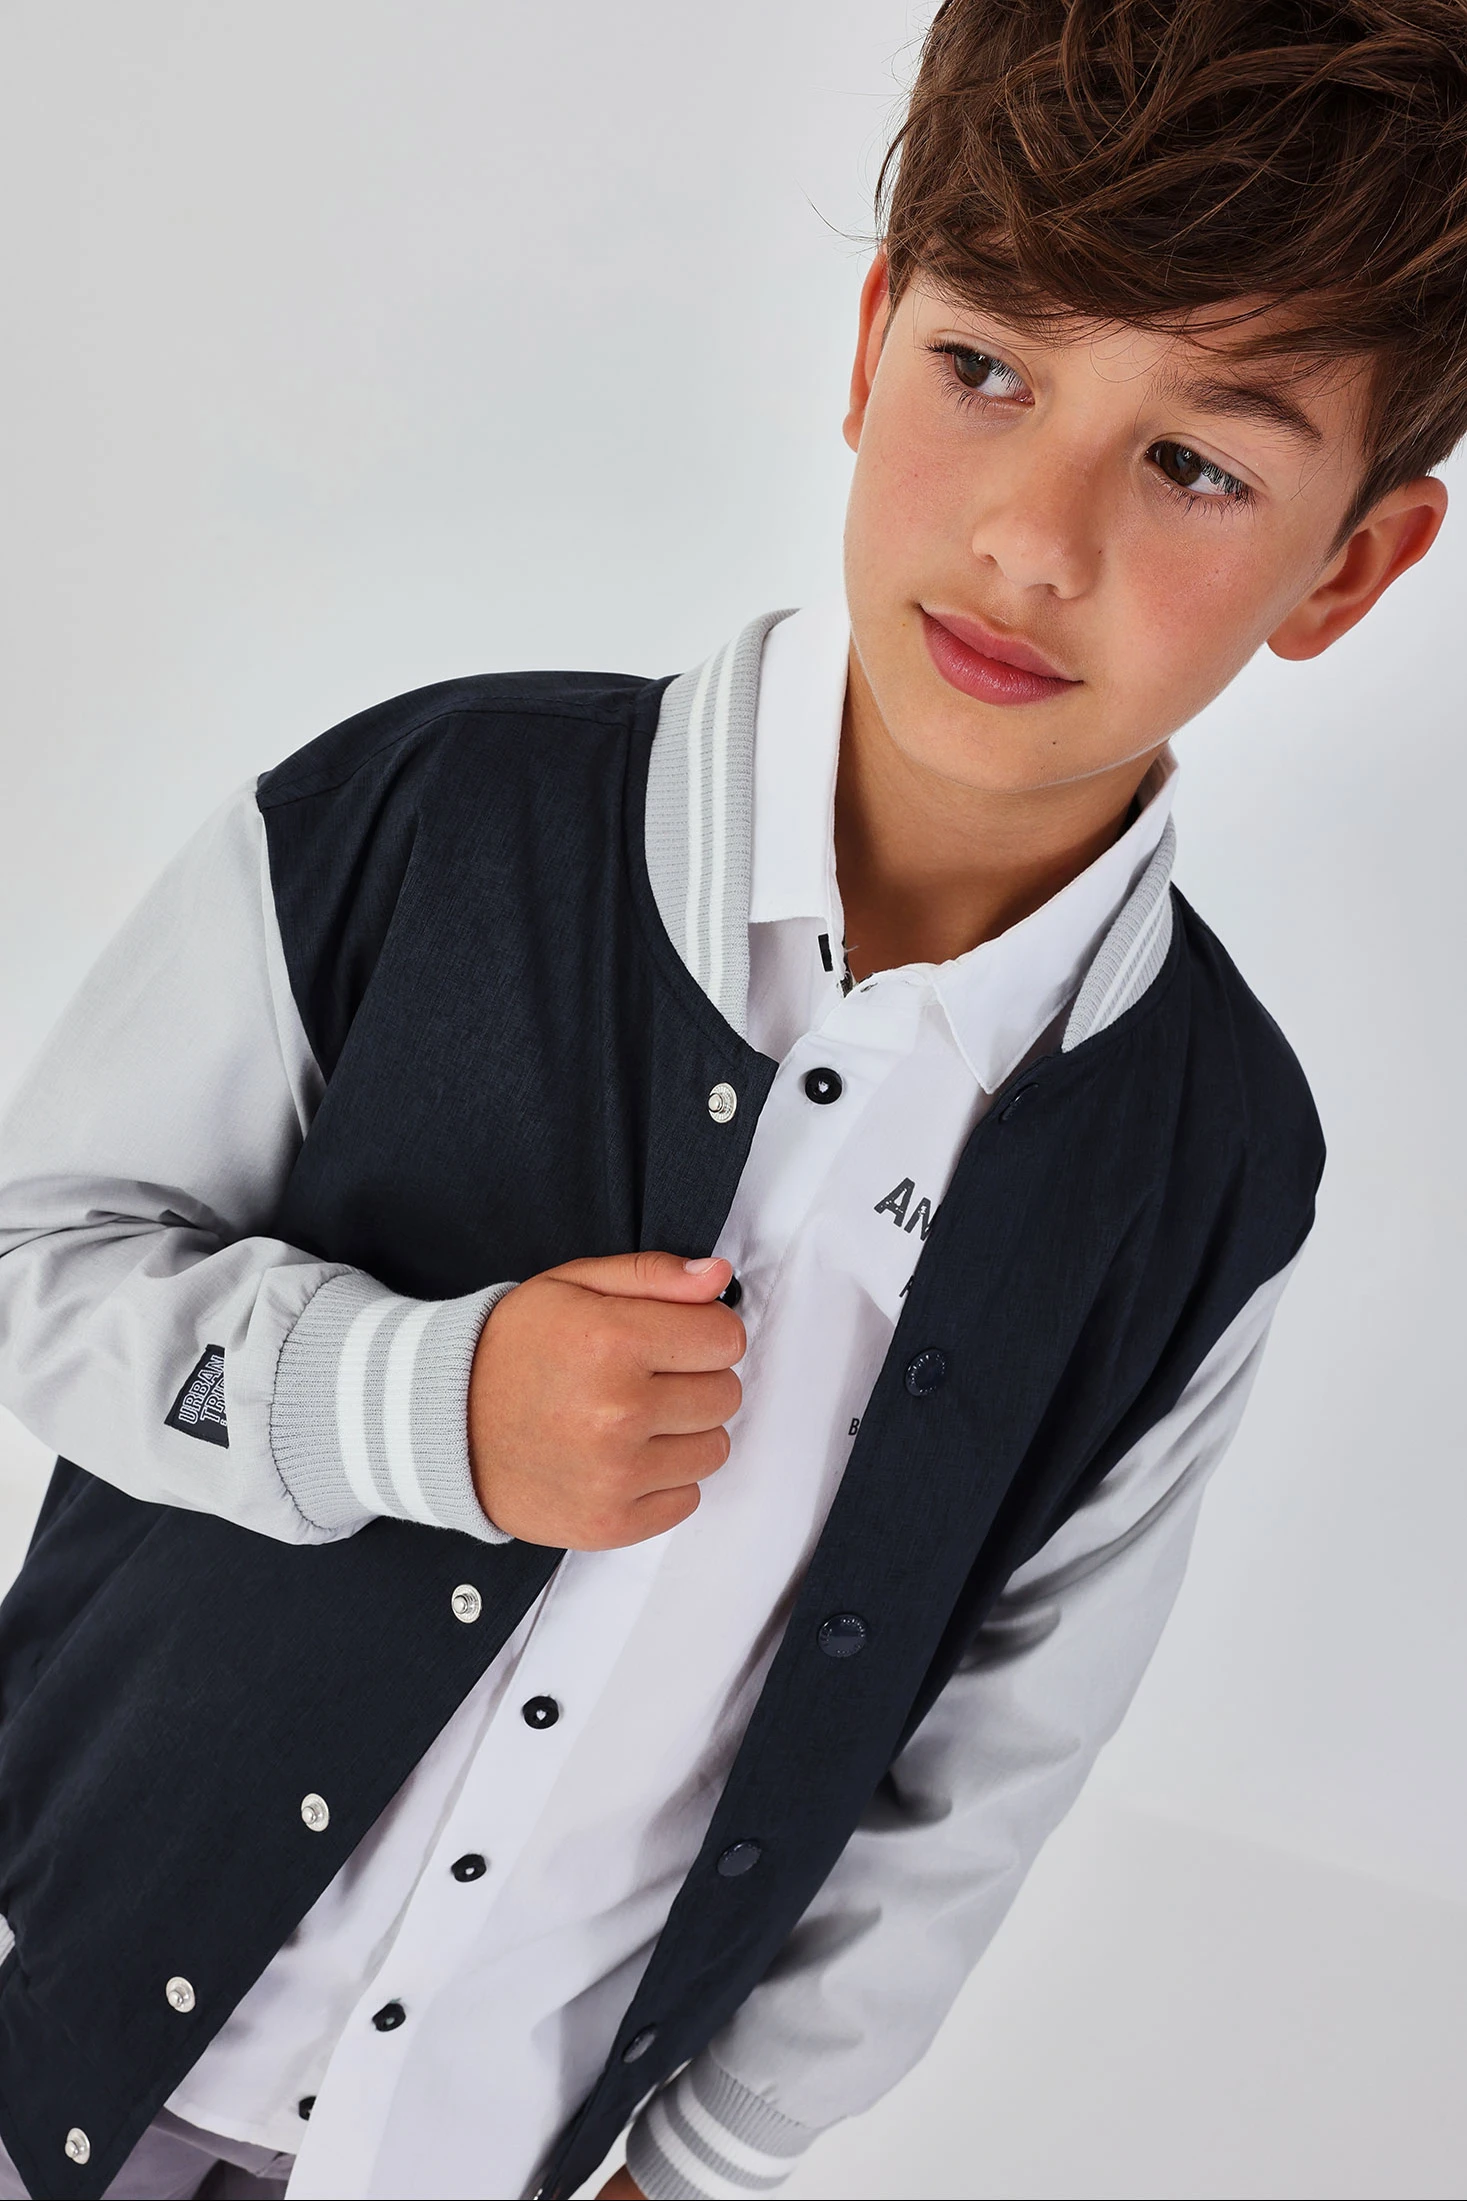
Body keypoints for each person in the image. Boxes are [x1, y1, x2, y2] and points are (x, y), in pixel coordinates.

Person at [1, 2, 1464, 2196]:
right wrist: (421, 1405)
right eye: (989, 369)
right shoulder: (434, 809)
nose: (1034, 539)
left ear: (1345, 562)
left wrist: (702, 2157)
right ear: (871, 342)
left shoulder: (1210, 1165)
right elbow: (40, 1262)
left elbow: (993, 1748)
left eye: (1195, 466)